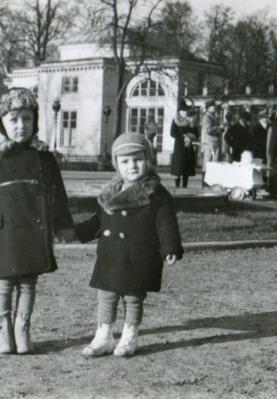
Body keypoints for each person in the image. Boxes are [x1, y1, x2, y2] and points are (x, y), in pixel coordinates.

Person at [0, 87, 74, 355]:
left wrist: (63, 225)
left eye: (27, 119)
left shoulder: (44, 157)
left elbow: (57, 195)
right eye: (14, 119)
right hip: (3, 230)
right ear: (1, 123)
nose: (21, 126)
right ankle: (2, 331)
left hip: (34, 228)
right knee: (4, 281)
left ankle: (22, 330)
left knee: (28, 281)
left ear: (35, 121)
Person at [74, 132, 184, 357]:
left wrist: (170, 247)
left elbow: (166, 224)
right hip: (111, 254)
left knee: (133, 296)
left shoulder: (157, 194)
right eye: (124, 161)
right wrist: (76, 232)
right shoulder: (111, 193)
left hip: (140, 254)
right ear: (117, 165)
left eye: (138, 159)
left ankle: (129, 336)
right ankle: (103, 335)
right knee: (106, 294)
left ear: (148, 160)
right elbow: (99, 220)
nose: (132, 166)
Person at [170, 101, 197, 188]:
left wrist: (190, 136)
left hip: (188, 147)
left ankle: (185, 186)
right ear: (179, 112)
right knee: (178, 168)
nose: (184, 113)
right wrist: (183, 137)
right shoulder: (175, 121)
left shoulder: (191, 121)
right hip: (179, 147)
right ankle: (177, 186)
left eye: (185, 111)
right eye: (182, 111)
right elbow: (172, 133)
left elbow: (196, 133)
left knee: (186, 168)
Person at [200, 99, 223, 188]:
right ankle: (205, 182)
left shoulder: (212, 116)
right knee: (208, 162)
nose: (215, 108)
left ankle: (210, 182)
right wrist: (219, 128)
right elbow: (208, 130)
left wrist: (220, 128)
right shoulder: (207, 117)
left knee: (214, 163)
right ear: (209, 107)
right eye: (213, 106)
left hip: (214, 142)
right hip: (210, 143)